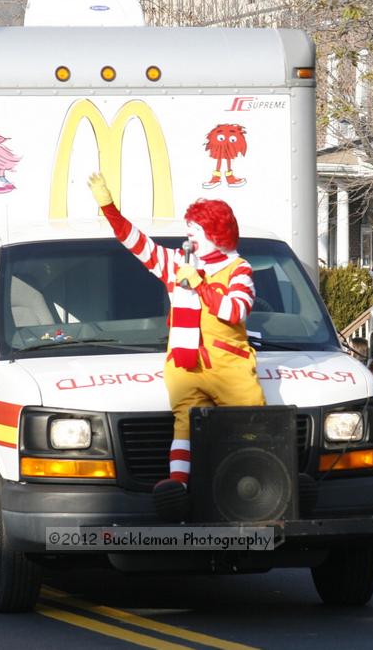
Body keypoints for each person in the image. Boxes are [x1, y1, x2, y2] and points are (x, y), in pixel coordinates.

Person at [87, 173, 265, 518]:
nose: (189, 239)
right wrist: (109, 208)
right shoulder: (177, 264)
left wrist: (200, 284)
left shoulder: (239, 269)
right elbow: (135, 243)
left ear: (215, 234)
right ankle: (177, 488)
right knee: (183, 426)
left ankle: (256, 482)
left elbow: (233, 311)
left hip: (231, 366)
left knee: (250, 425)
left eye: (195, 232)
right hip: (185, 364)